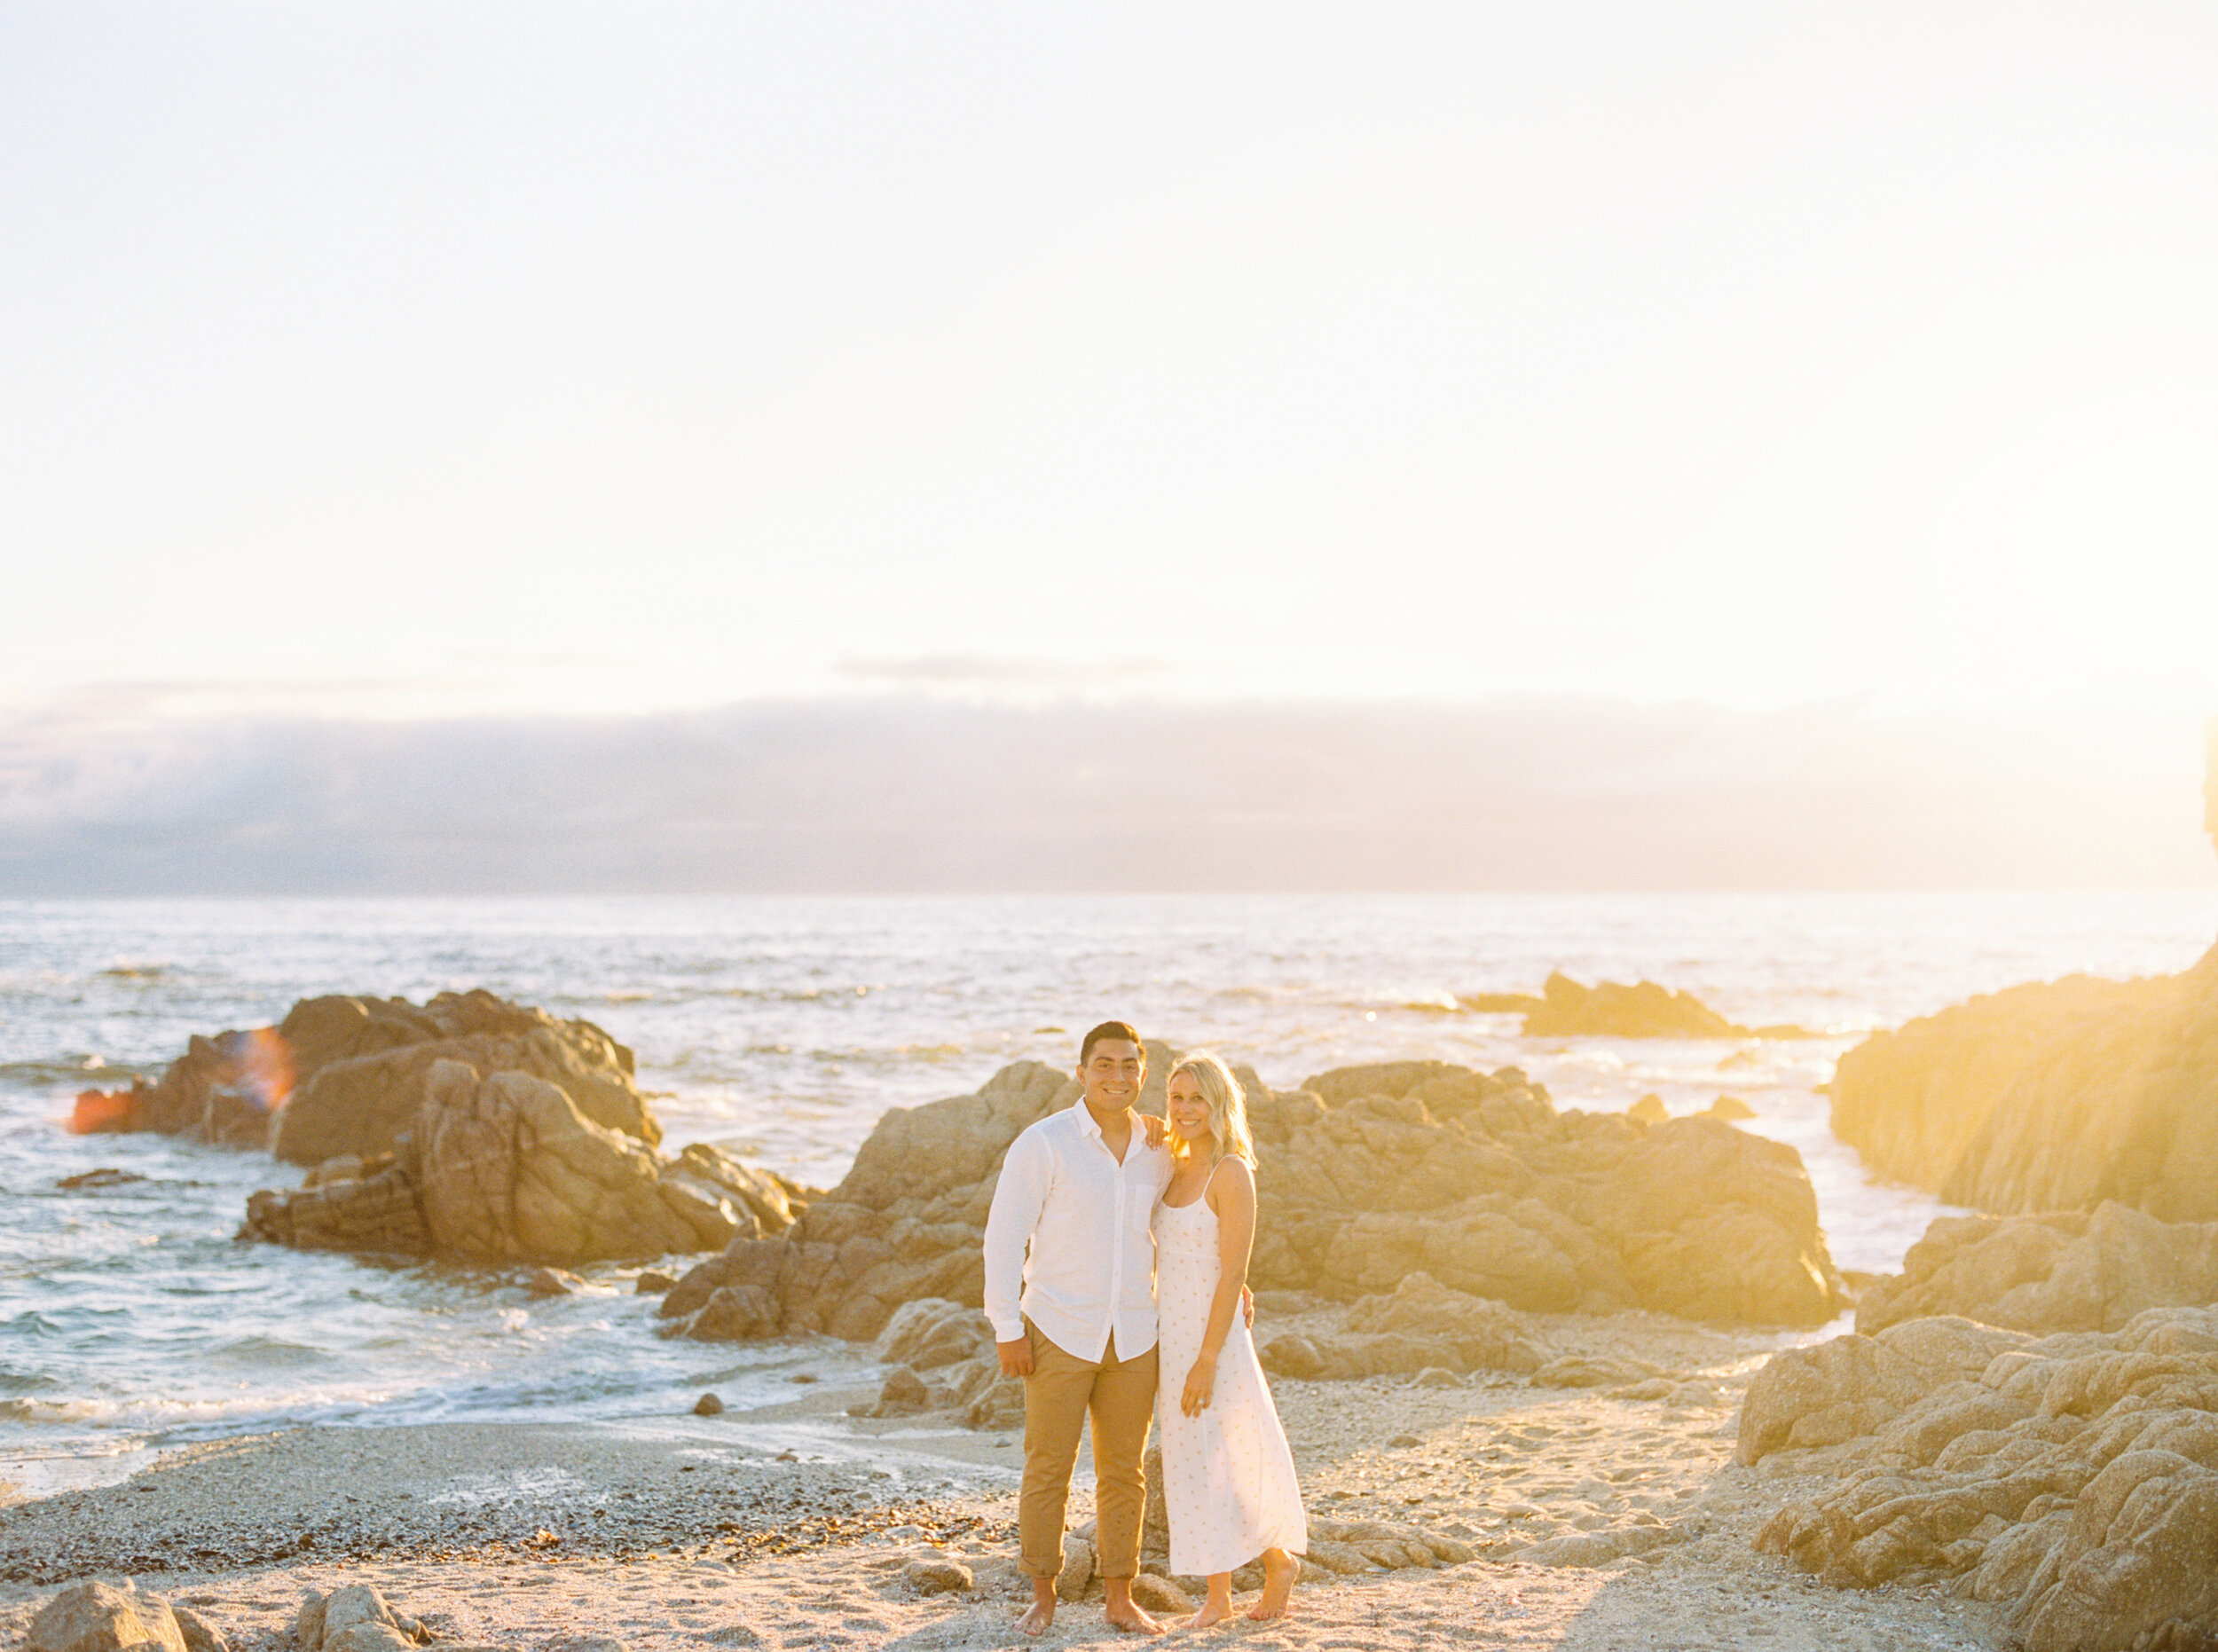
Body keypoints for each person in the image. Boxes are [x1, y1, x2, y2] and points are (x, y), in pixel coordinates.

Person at [982, 1021, 1175, 1637]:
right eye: (1104, 1065)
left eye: (1128, 1066)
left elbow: (1182, 1224)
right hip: (1056, 1329)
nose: (1116, 1076)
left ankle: (1121, 1597)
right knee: (1049, 1467)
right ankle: (1043, 1594)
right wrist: (1006, 1326)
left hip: (1135, 1335)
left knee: (1125, 1471)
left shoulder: (1160, 1145)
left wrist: (1234, 1280)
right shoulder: (1044, 1143)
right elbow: (1004, 1240)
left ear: (1142, 1073)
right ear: (1082, 1071)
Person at [1152, 1050, 1305, 1627]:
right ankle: (1226, 1591)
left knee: (1231, 1454)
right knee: (1196, 1460)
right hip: (1174, 1331)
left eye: (1197, 1098)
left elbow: (1233, 1270)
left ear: (1220, 1104)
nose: (1186, 1109)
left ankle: (1273, 1565)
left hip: (1212, 1339)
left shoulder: (1231, 1171)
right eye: (1176, 1098)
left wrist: (1207, 1358)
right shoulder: (1170, 1164)